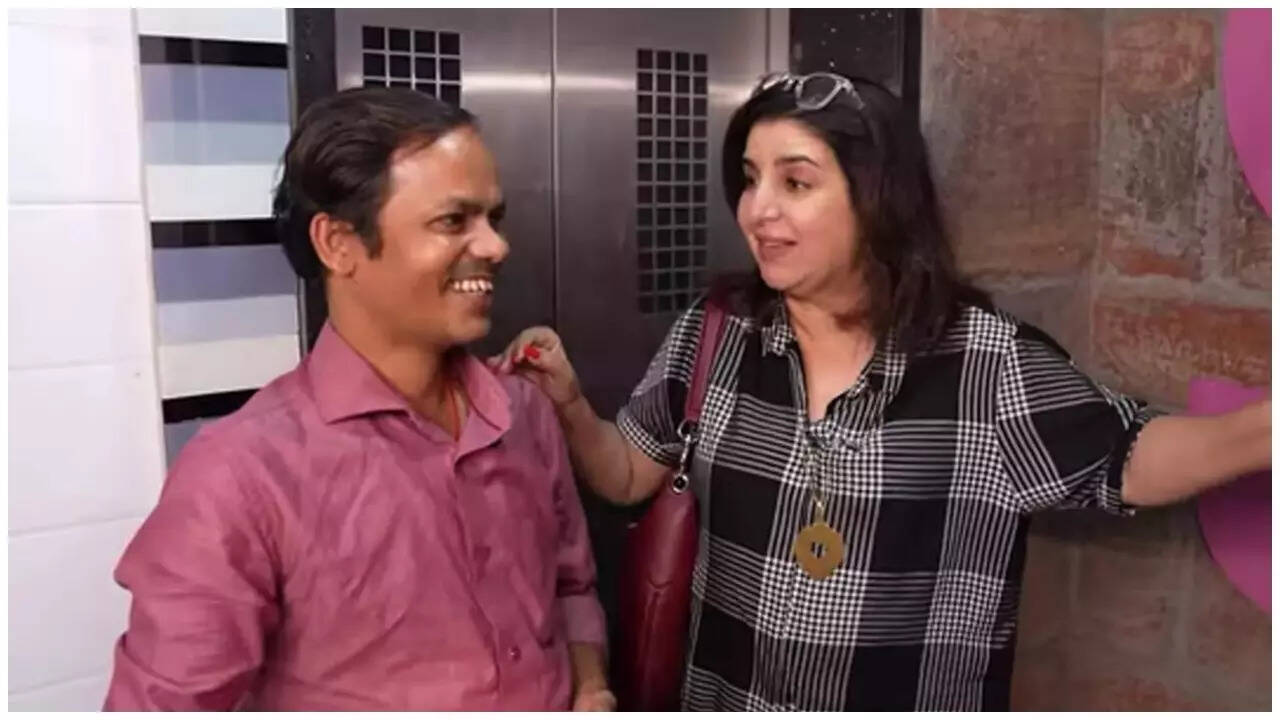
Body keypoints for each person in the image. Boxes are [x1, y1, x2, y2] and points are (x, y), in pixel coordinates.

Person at [490, 73, 1272, 711]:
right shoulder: (717, 331)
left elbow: (1130, 457)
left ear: (877, 197)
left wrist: (1264, 428)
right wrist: (569, 405)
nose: (759, 210)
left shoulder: (982, 361)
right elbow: (628, 473)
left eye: (796, 182)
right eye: (751, 180)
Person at [105, 88, 613, 711]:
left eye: (493, 218)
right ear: (338, 244)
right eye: (454, 221)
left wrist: (591, 687)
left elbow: (571, 586)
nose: (495, 246)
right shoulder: (239, 477)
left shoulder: (523, 414)